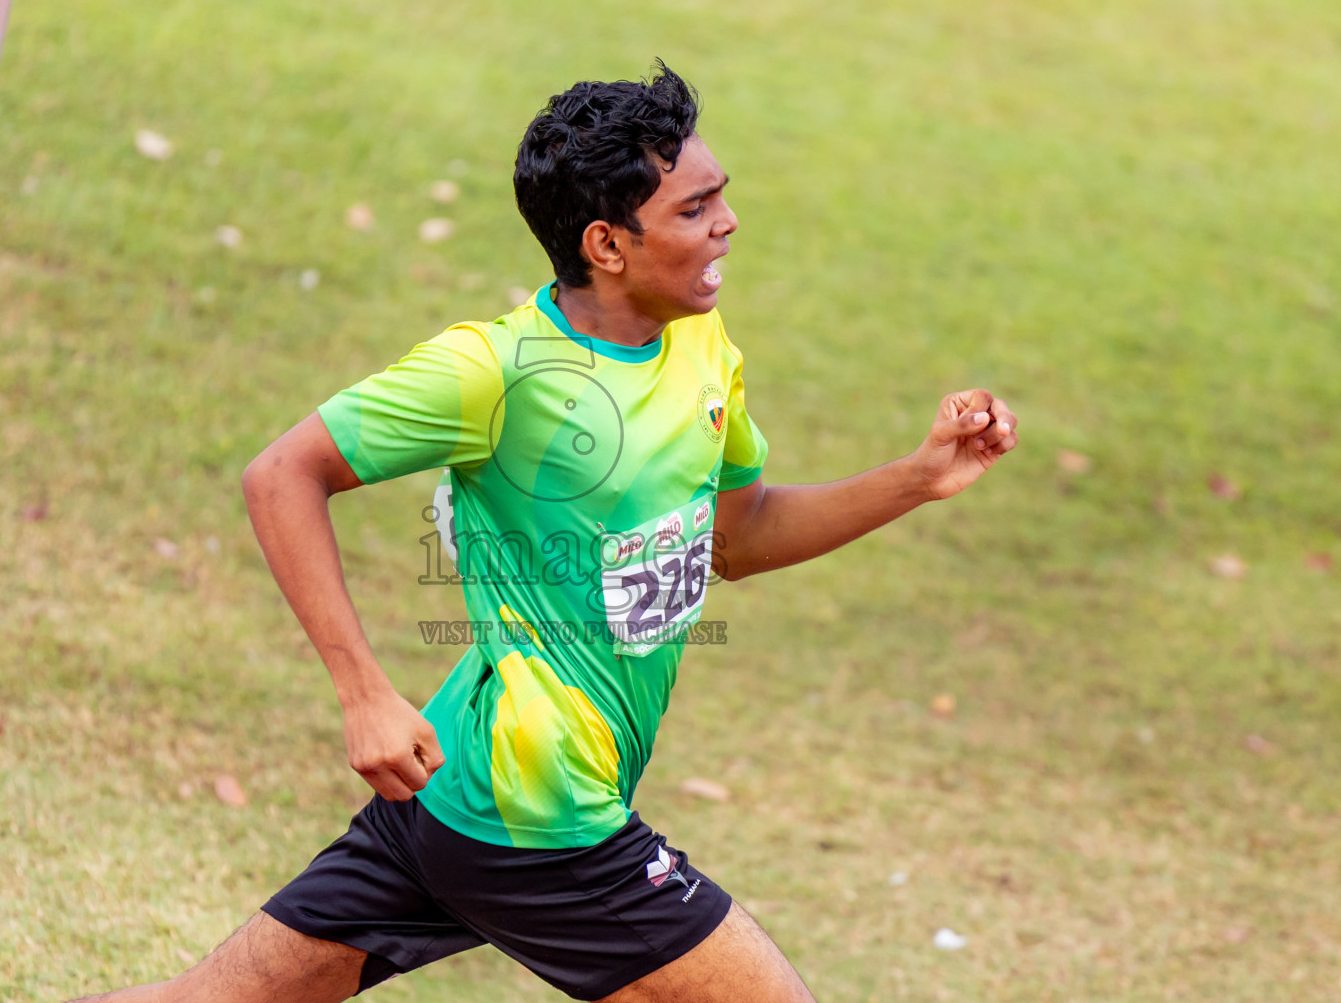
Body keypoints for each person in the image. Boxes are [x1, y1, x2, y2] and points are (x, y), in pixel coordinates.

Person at [73, 61, 1018, 1003]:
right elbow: (283, 474)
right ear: (607, 244)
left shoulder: (700, 342)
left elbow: (737, 536)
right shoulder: (494, 372)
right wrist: (364, 694)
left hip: (455, 782)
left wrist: (917, 478)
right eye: (695, 209)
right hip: (540, 816)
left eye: (721, 197)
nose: (727, 223)